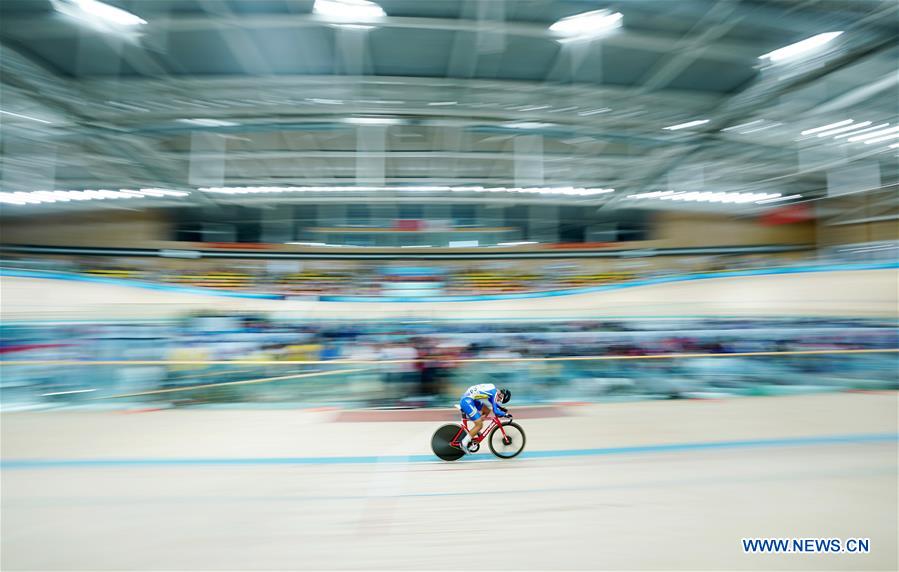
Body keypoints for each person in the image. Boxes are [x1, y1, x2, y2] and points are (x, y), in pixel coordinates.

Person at [458, 383, 511, 453]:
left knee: (487, 411)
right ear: (501, 395)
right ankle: (464, 443)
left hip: (470, 399)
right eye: (500, 400)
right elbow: (496, 411)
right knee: (479, 425)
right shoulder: (494, 394)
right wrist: (505, 414)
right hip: (467, 401)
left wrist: (500, 407)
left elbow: (492, 401)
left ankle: (476, 430)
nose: (498, 401)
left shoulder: (493, 389)